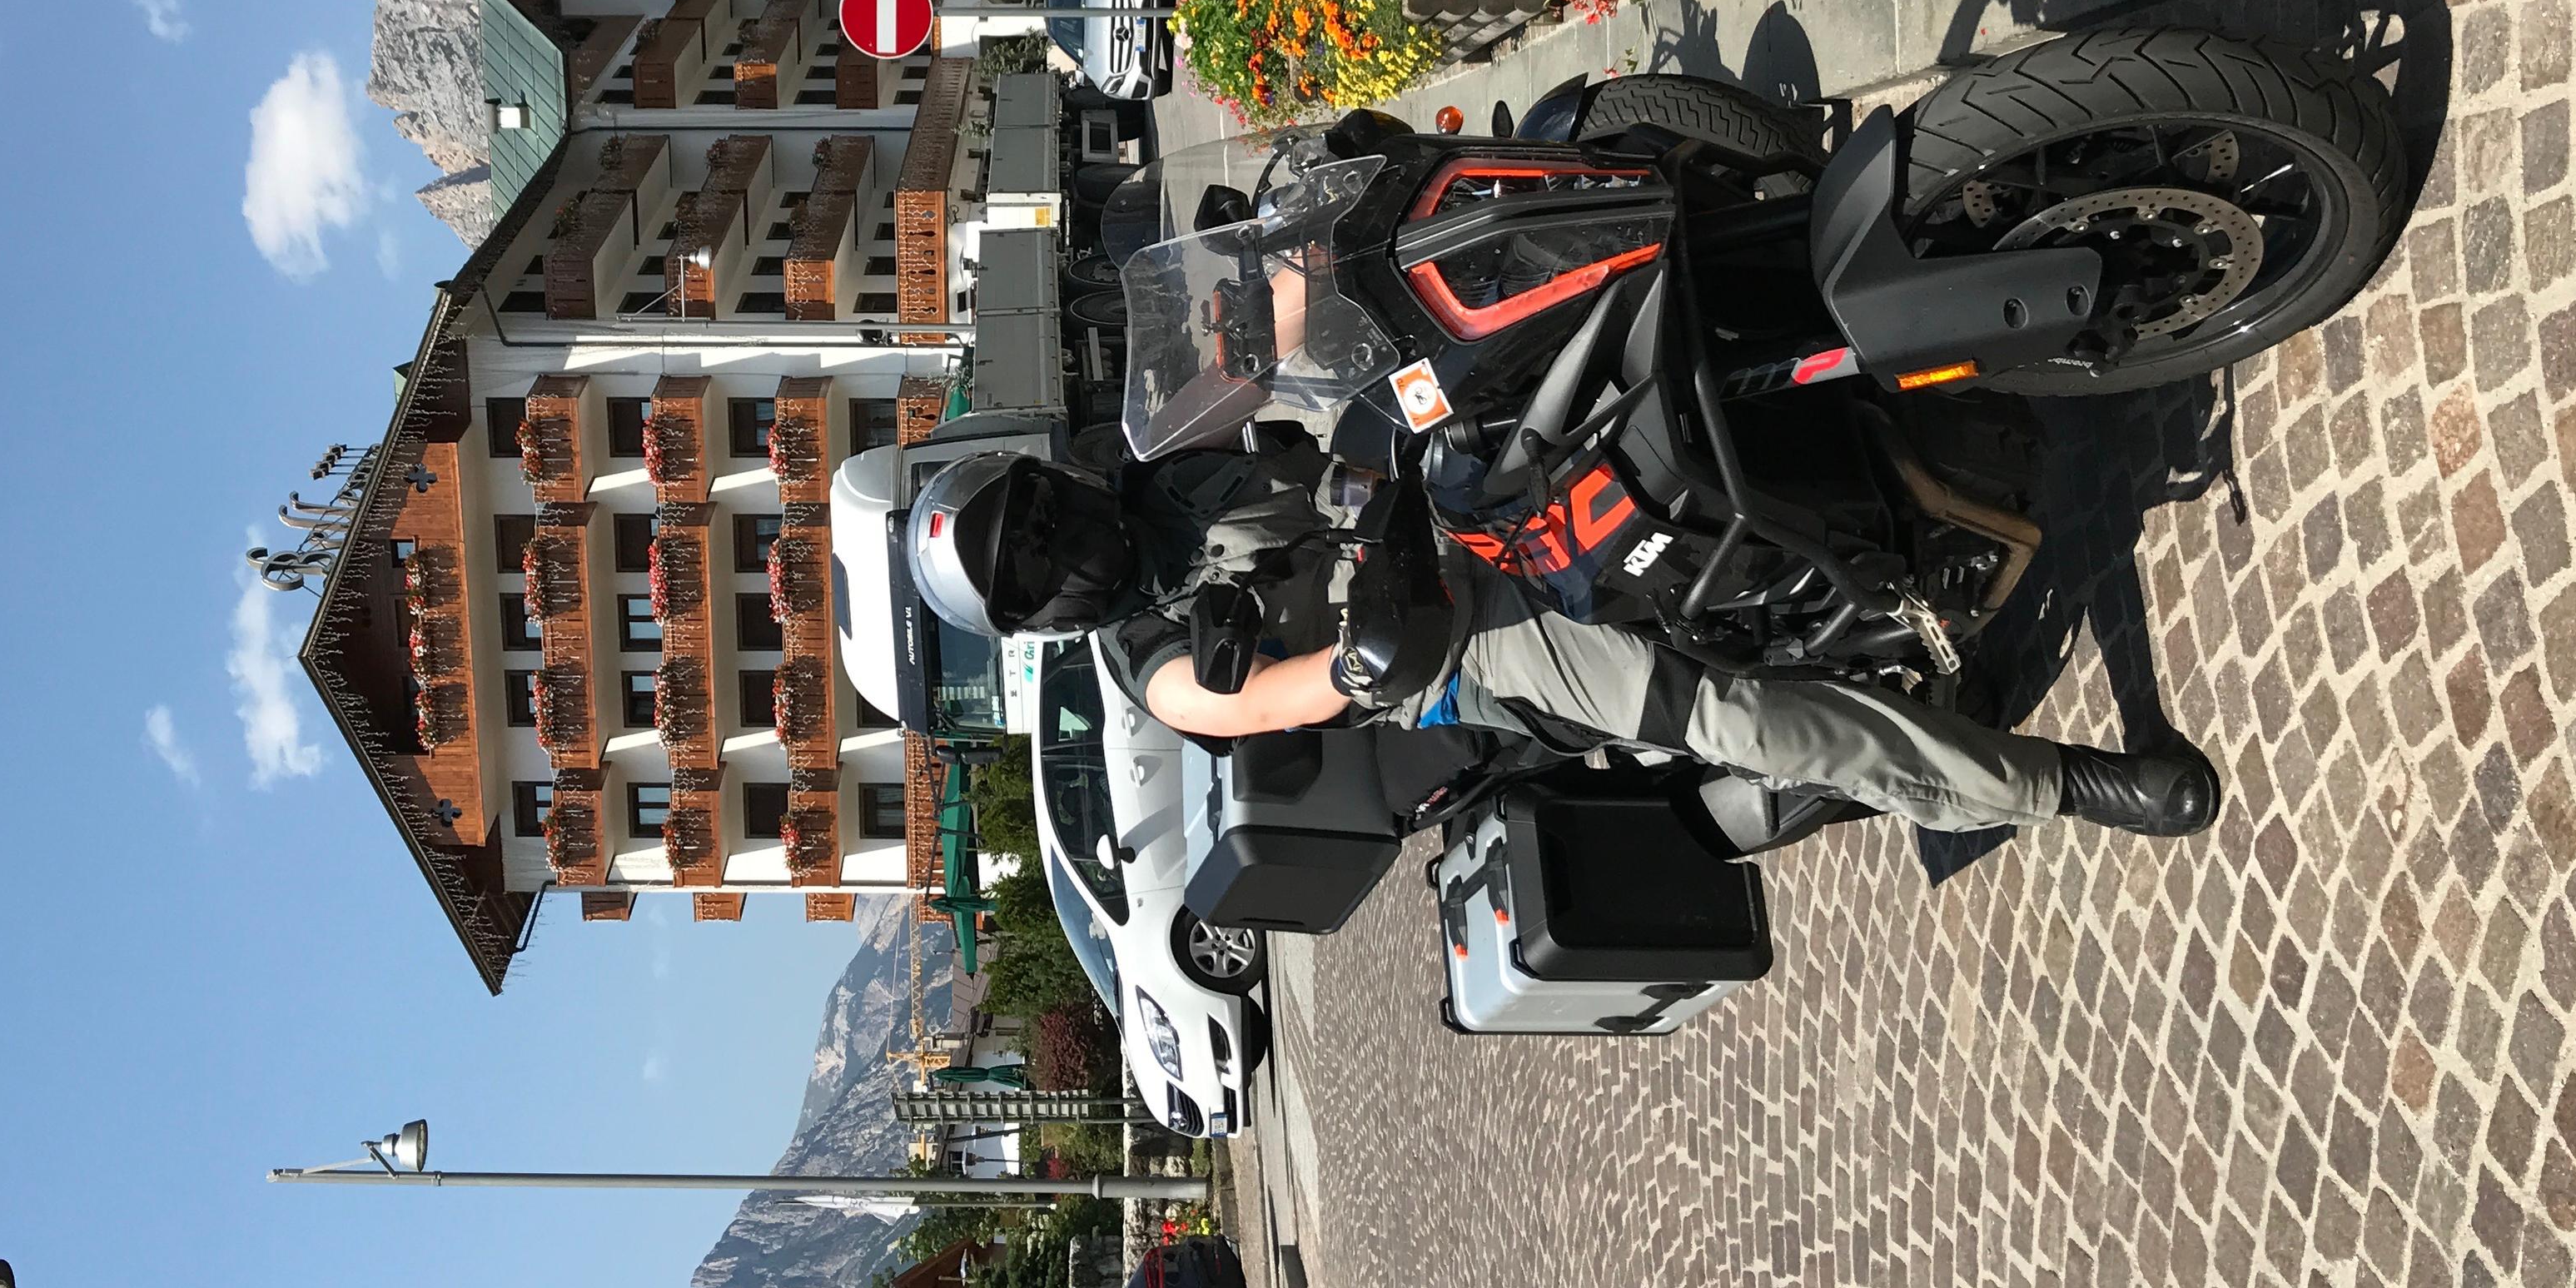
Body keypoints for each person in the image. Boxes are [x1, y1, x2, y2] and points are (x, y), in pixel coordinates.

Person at [907, 447, 2220, 838]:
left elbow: (1269, 374)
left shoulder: (1160, 468)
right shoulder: (1152, 662)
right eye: (1030, 562)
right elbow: (1252, 705)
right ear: (1038, 613)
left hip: (1445, 489)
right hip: (1456, 630)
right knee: (1731, 714)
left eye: (1034, 513)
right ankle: (2060, 785)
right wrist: (1349, 668)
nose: (1056, 538)